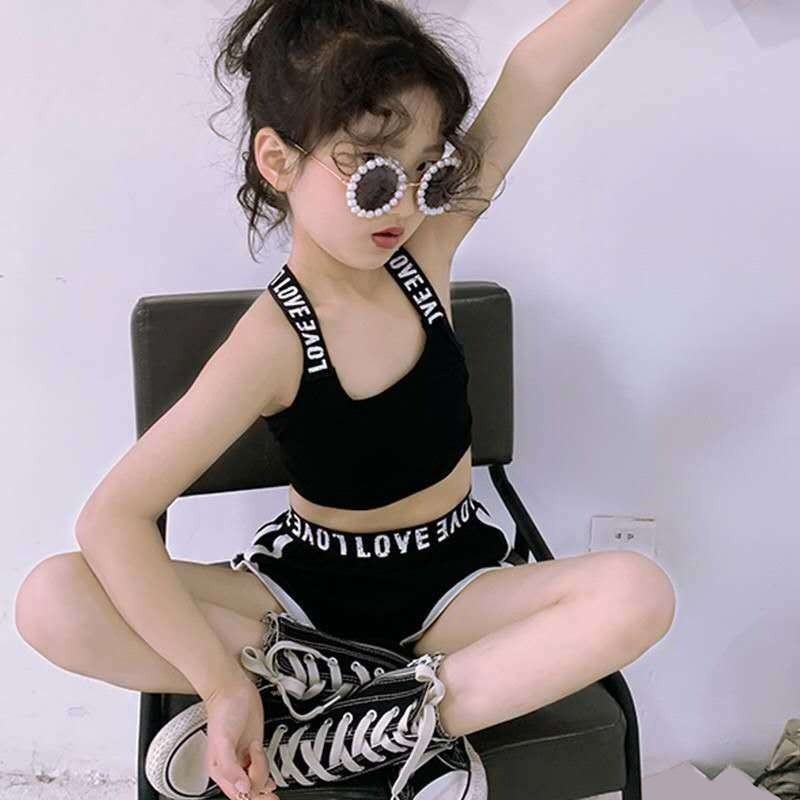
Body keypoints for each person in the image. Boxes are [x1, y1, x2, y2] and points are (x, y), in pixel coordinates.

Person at [14, 1, 676, 799]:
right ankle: (363, 702)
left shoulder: (426, 257)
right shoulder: (272, 340)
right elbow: (112, 517)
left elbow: (531, 77)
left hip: (454, 587)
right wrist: (219, 685)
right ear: (278, 160)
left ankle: (359, 726)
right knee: (51, 598)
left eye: (427, 171)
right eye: (374, 175)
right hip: (303, 607)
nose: (405, 205)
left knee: (637, 593)